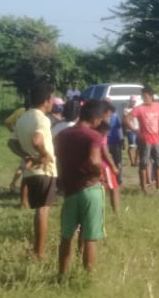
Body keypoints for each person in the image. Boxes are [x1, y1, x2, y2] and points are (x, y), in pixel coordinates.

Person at [55, 99, 107, 276]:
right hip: (90, 188)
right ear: (95, 119)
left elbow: (59, 161)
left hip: (70, 190)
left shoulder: (62, 135)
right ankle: (88, 278)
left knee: (66, 236)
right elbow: (94, 160)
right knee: (90, 237)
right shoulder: (93, 136)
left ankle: (61, 275)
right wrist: (98, 173)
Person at [10, 82, 57, 260]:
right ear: (46, 100)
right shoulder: (41, 118)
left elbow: (11, 142)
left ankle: (37, 248)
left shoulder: (23, 117)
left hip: (30, 173)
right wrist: (44, 154)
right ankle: (38, 252)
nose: (52, 102)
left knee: (38, 209)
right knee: (43, 211)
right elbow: (38, 140)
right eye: (52, 98)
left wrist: (27, 155)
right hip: (45, 171)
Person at [126, 86, 159, 192]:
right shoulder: (139, 108)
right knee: (144, 163)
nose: (144, 98)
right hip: (145, 140)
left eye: (146, 96)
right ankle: (144, 186)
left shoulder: (157, 106)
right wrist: (136, 132)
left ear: (151, 96)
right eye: (142, 96)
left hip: (156, 139)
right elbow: (126, 119)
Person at [95, 115, 121, 215]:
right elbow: (105, 151)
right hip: (104, 165)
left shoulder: (92, 134)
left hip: (96, 164)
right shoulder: (101, 136)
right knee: (114, 188)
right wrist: (113, 166)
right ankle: (116, 212)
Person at [104, 100, 124, 185]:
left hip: (115, 141)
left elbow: (119, 127)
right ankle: (108, 179)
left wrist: (121, 138)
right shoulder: (101, 117)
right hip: (105, 143)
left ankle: (118, 178)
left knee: (118, 161)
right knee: (106, 161)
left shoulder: (115, 116)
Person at [123, 95, 140, 166]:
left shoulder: (137, 109)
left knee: (139, 146)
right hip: (130, 130)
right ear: (130, 101)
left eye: (134, 101)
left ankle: (136, 161)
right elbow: (125, 120)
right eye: (132, 101)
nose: (133, 103)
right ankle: (132, 161)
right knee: (132, 146)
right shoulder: (126, 110)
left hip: (138, 129)